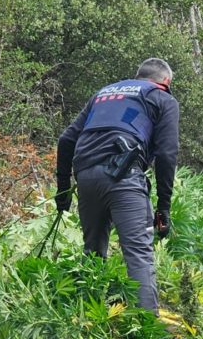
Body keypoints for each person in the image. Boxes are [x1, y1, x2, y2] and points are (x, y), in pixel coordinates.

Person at [55, 58, 180, 312]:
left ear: (138, 76)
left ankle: (86, 321)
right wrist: (163, 208)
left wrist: (63, 189)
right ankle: (146, 334)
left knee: (93, 253)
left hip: (86, 176)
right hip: (125, 178)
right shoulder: (162, 98)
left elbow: (66, 139)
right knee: (138, 255)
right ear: (165, 81)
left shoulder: (103, 94)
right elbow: (167, 154)